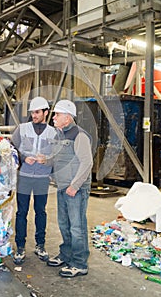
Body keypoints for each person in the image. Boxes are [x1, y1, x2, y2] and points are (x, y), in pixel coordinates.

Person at [47, 99, 93, 278]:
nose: (54, 118)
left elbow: (87, 163)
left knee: (77, 227)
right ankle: (66, 255)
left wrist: (74, 186)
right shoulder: (60, 135)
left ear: (67, 117)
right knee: (64, 224)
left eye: (57, 115)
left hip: (75, 190)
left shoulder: (79, 135)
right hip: (62, 187)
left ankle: (79, 263)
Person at [11, 96, 56, 264]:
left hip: (42, 179)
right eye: (32, 112)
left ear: (45, 112)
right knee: (21, 212)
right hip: (24, 177)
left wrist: (47, 161)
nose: (34, 115)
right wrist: (23, 158)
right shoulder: (21, 129)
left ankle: (40, 245)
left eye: (37, 112)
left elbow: (58, 156)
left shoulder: (53, 132)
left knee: (41, 212)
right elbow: (11, 149)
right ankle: (20, 247)